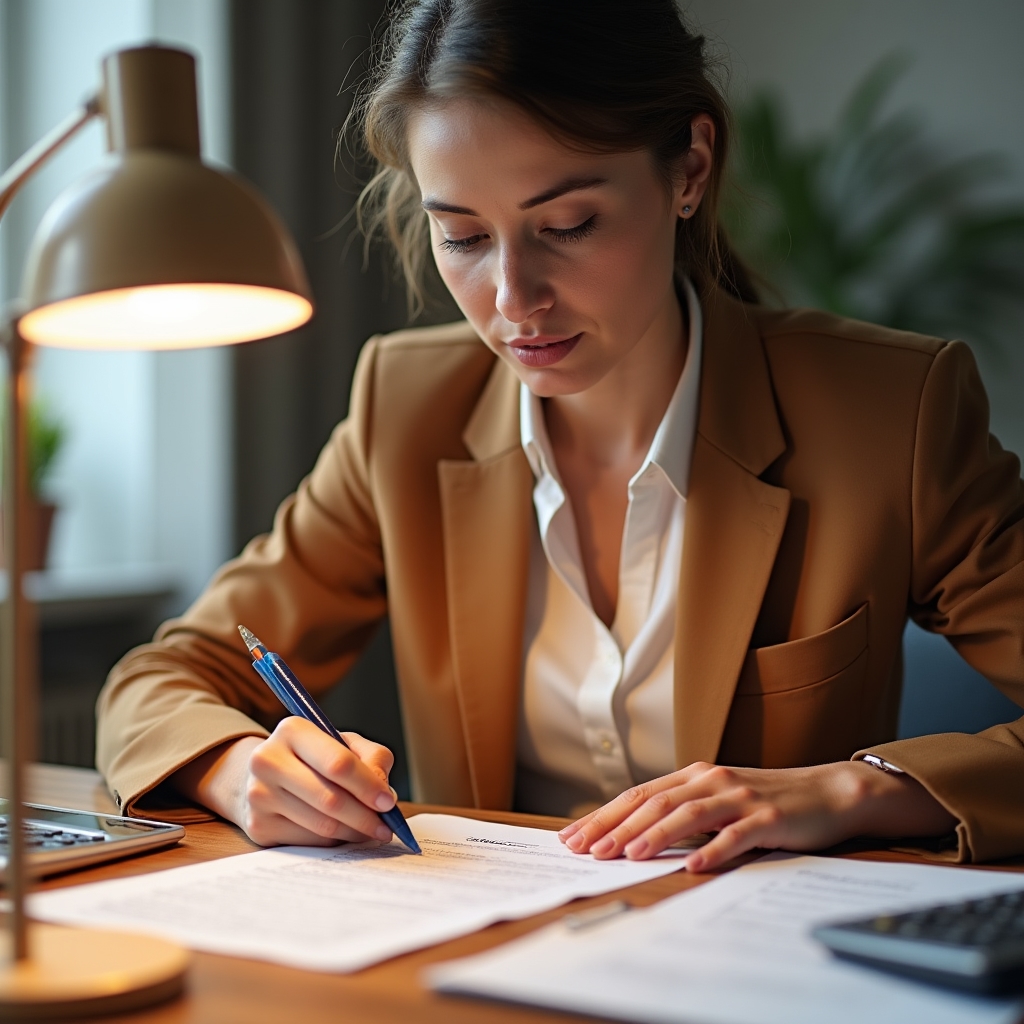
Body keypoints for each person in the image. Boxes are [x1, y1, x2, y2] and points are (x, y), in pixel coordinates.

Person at [97, 0, 1024, 871]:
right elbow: (163, 677)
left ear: (690, 169)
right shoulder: (405, 410)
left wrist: (854, 789)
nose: (513, 301)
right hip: (484, 962)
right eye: (461, 236)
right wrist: (234, 767)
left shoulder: (887, 411)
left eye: (569, 225)